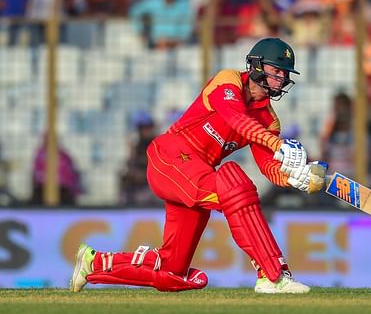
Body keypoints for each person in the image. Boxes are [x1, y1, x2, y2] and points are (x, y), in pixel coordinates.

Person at [70, 38, 325, 294]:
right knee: (235, 184)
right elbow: (236, 119)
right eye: (276, 71)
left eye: (284, 74)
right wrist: (277, 145)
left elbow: (267, 166)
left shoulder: (269, 120)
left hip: (197, 174)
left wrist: (294, 177)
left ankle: (94, 263)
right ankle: (273, 275)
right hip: (170, 157)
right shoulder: (228, 81)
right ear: (257, 65)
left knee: (172, 272)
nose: (281, 79)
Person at [119, 110, 162, 206]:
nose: (144, 130)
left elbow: (158, 167)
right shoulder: (137, 144)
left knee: (143, 197)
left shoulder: (157, 143)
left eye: (147, 127)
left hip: (153, 185)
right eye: (141, 128)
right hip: (139, 185)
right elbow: (131, 164)